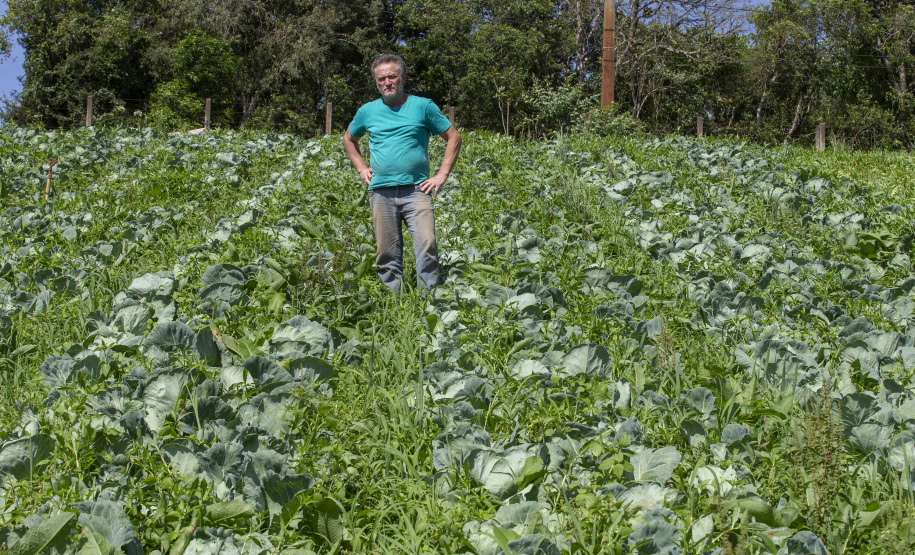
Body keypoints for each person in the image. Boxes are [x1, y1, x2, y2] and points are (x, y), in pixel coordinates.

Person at [343, 53, 461, 292]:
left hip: (417, 189)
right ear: (376, 83)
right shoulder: (368, 111)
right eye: (381, 79)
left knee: (426, 244)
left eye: (392, 76)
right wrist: (361, 167)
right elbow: (348, 139)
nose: (387, 82)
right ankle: (391, 300)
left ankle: (428, 299)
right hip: (381, 192)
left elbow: (453, 137)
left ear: (403, 77)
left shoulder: (422, 106)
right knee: (386, 251)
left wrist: (442, 175)